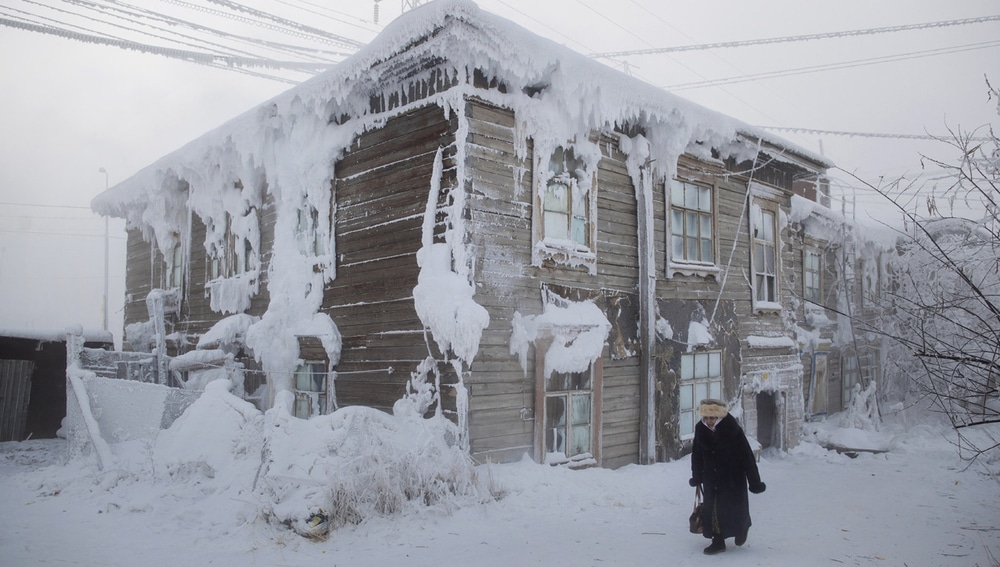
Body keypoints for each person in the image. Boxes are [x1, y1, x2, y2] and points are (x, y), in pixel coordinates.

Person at [689, 398, 766, 555]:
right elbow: (696, 455)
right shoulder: (701, 430)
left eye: (712, 418)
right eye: (706, 418)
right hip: (711, 478)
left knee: (734, 508)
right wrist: (697, 476)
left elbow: (746, 456)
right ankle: (718, 542)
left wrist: (754, 482)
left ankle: (742, 529)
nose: (709, 421)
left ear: (719, 417)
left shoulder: (732, 430)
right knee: (713, 510)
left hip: (733, 477)